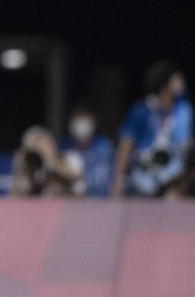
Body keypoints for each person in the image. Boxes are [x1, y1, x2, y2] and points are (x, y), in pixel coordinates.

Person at [112, 61, 191, 198]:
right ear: (164, 83)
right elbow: (126, 145)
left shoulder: (183, 111)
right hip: (144, 173)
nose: (181, 82)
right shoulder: (141, 110)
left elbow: (184, 146)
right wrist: (118, 180)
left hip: (171, 173)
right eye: (177, 79)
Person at [10, 126, 83, 197]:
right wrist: (20, 167)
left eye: (40, 141)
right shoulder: (32, 165)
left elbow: (76, 177)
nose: (37, 147)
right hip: (41, 207)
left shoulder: (70, 156)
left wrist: (49, 158)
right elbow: (14, 197)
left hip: (70, 204)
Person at [61, 105, 115, 197]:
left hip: (105, 200)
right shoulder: (64, 147)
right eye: (77, 121)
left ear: (93, 122)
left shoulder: (104, 145)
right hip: (77, 201)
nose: (81, 126)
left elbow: (116, 172)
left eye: (84, 120)